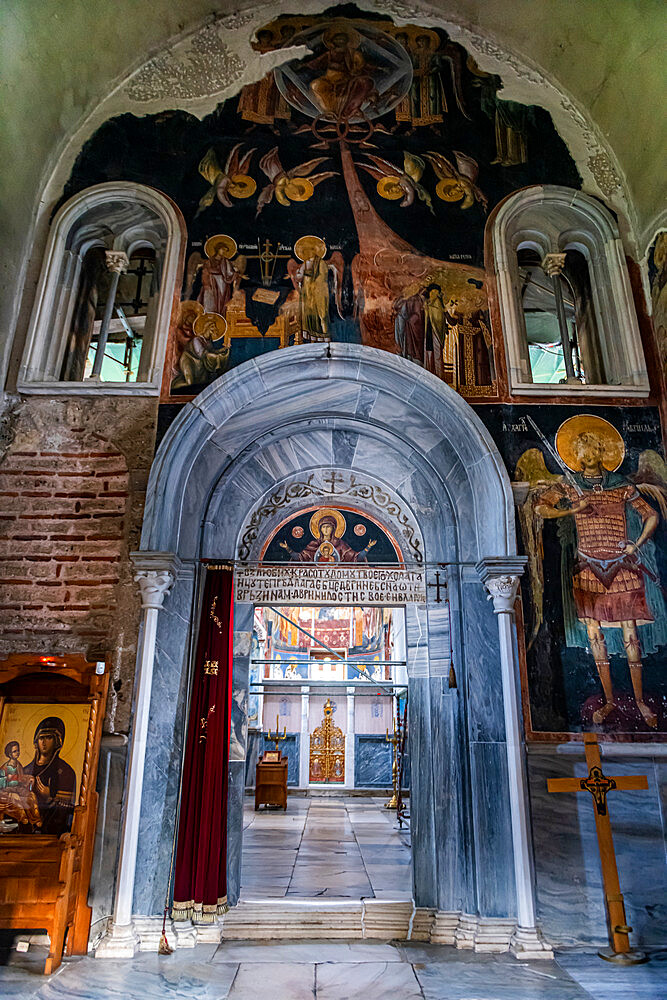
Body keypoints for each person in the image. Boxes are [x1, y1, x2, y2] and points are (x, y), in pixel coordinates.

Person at [534, 429, 663, 728]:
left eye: (592, 448)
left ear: (602, 452)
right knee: (595, 636)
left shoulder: (620, 485)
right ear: (576, 455)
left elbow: (651, 515)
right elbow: (541, 508)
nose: (587, 455)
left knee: (631, 635)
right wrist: (571, 510)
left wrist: (637, 543)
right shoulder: (570, 485)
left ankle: (641, 701)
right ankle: (608, 701)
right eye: (582, 449)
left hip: (621, 564)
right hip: (588, 565)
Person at [23, 717, 77, 835]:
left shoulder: (66, 772)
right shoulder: (25, 770)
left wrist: (49, 798)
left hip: (51, 834)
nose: (44, 742)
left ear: (57, 741)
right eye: (41, 738)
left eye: (49, 738)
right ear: (36, 741)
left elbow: (68, 810)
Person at [280, 510, 376, 562]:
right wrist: (288, 548)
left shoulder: (341, 544)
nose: (326, 529)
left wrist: (368, 547)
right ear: (319, 529)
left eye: (328, 527)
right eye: (323, 527)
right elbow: (300, 558)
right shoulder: (313, 544)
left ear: (333, 529)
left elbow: (356, 558)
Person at [0, 741, 42, 828]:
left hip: (18, 788)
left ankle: (35, 819)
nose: (17, 753)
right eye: (14, 751)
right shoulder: (5, 767)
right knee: (16, 798)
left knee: (31, 796)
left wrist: (29, 779)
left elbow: (21, 778)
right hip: (7, 790)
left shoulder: (18, 765)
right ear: (9, 754)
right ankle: (23, 818)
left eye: (18, 750)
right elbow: (1, 783)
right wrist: (11, 778)